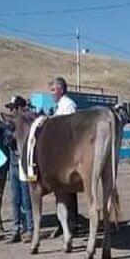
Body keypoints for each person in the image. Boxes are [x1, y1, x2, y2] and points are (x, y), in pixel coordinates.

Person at [50, 77, 80, 234]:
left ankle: (72, 223)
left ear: (61, 90)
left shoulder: (68, 105)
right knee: (62, 189)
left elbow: (69, 130)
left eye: (54, 90)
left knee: (69, 188)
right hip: (59, 153)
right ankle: (64, 223)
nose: (52, 94)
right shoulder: (60, 106)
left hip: (67, 152)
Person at [4, 96, 33, 243]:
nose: (10, 111)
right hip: (13, 164)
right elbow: (6, 140)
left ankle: (30, 228)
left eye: (12, 108)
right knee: (15, 199)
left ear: (19, 108)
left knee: (26, 198)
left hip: (24, 164)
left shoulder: (28, 123)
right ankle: (16, 228)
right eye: (10, 108)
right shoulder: (10, 125)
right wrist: (10, 135)